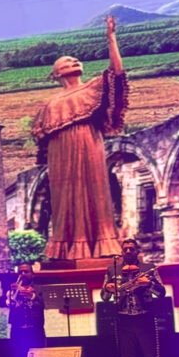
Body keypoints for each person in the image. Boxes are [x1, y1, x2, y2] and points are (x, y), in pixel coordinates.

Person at [31, 15, 129, 260]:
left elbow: (117, 74)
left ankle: (102, 245)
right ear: (56, 73)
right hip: (60, 154)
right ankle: (68, 247)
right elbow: (43, 143)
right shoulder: (49, 105)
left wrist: (111, 39)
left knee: (95, 187)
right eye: (66, 61)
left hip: (88, 143)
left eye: (75, 59)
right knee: (65, 197)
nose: (74, 61)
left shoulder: (94, 88)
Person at [101, 237, 167, 357]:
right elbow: (104, 297)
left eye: (132, 249)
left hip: (145, 319)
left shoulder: (148, 269)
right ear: (122, 252)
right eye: (126, 249)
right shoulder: (112, 270)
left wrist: (148, 284)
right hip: (124, 321)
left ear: (138, 251)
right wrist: (108, 289)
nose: (129, 251)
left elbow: (162, 292)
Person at [0, 262, 46, 357]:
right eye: (21, 272)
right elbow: (5, 303)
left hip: (35, 331)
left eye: (26, 272)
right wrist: (11, 295)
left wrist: (31, 296)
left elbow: (44, 304)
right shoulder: (13, 288)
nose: (23, 274)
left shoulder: (39, 289)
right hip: (18, 332)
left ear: (32, 274)